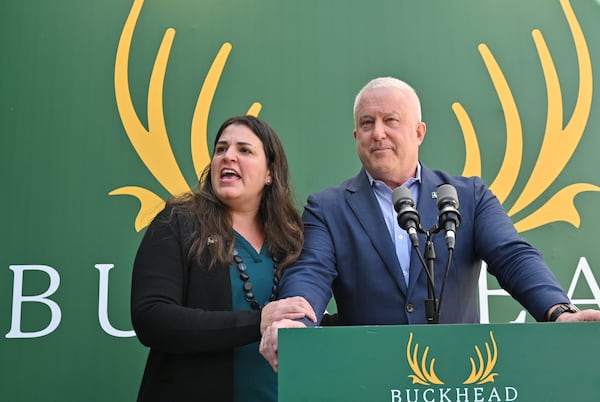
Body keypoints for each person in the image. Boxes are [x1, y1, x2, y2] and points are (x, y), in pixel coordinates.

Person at [259, 76, 600, 372]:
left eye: (390, 120)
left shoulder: (469, 196)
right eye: (366, 123)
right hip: (367, 377)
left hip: (461, 377)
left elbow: (513, 257)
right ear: (356, 134)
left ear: (419, 132)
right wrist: (295, 323)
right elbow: (309, 274)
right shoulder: (328, 208)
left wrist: (559, 312)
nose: (378, 133)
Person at [131, 115, 316, 402]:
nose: (228, 156)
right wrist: (256, 323)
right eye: (221, 149)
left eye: (244, 150)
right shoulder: (177, 223)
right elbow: (152, 318)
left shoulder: (291, 237)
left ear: (270, 173)